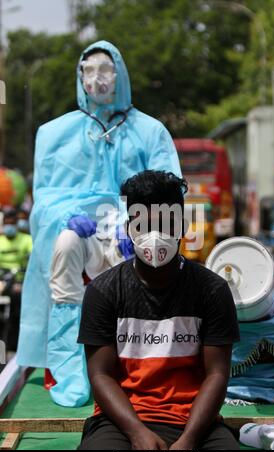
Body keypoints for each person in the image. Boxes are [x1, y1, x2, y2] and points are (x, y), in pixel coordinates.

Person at [16, 40, 181, 407]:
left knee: (137, 264)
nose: (97, 79)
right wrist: (65, 218)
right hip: (84, 235)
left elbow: (170, 191)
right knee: (65, 246)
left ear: (119, 73)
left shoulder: (151, 132)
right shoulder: (54, 133)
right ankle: (67, 366)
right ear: (79, 76)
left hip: (129, 237)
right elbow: (43, 199)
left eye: (105, 69)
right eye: (88, 70)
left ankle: (133, 367)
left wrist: (137, 224)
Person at [78, 170, 240, 450]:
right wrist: (136, 433)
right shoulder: (103, 291)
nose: (155, 236)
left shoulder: (212, 290)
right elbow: (100, 375)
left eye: (166, 224)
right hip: (120, 422)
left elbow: (217, 374)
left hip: (195, 423)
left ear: (182, 227)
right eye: (144, 225)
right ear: (130, 227)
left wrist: (188, 440)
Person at [0, 209, 32, 352]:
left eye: (12, 224)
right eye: (6, 224)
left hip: (19, 281)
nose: (9, 227)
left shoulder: (26, 240)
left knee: (17, 304)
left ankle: (13, 344)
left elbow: (31, 258)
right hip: (2, 280)